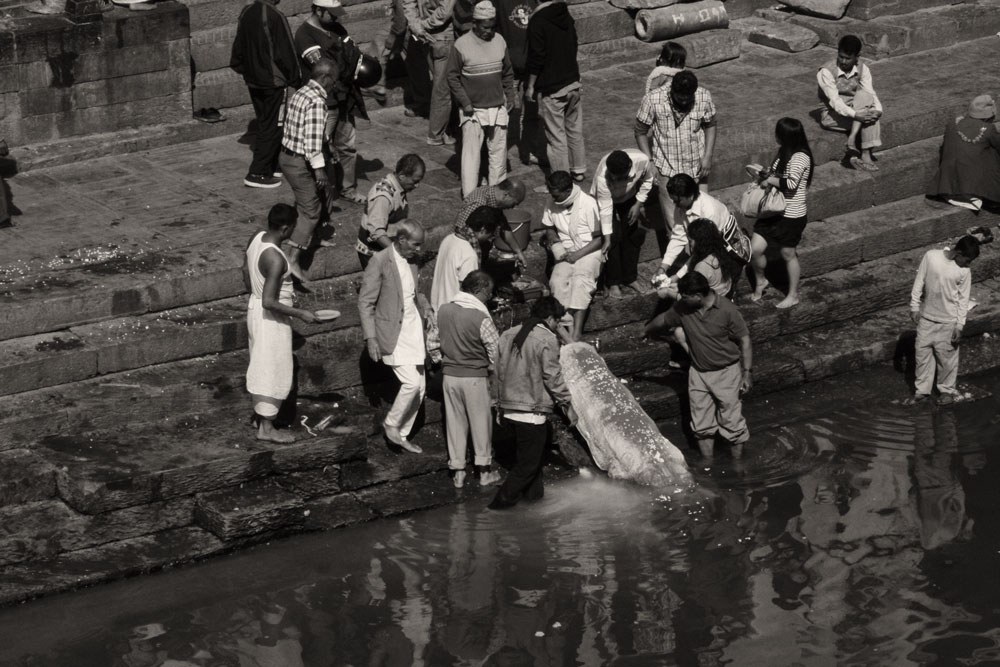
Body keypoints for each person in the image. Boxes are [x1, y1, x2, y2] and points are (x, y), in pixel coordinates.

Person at [645, 271, 752, 459]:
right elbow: (663, 320)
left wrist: (747, 372)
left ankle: (739, 466)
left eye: (686, 297)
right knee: (701, 424)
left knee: (732, 423)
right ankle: (708, 461)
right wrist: (645, 331)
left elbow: (745, 340)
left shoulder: (727, 310)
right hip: (699, 373)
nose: (682, 300)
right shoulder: (683, 307)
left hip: (727, 372)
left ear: (698, 296)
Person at [242, 204, 321, 443]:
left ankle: (262, 418)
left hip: (253, 309)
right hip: (270, 318)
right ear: (286, 228)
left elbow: (245, 268)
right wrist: (301, 314)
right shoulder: (275, 258)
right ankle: (266, 428)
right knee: (273, 369)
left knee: (261, 362)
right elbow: (269, 301)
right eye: (294, 227)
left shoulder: (256, 237)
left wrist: (252, 291)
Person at [489, 296, 576, 509]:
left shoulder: (508, 334)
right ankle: (498, 507)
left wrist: (497, 404)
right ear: (549, 318)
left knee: (533, 461)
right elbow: (552, 376)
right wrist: (567, 404)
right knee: (527, 466)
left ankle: (535, 503)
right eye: (557, 321)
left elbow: (497, 371)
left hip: (509, 408)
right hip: (531, 411)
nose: (557, 326)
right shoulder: (546, 338)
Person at [358, 220, 434, 452]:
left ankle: (400, 434)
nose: (419, 249)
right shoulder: (380, 261)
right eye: (416, 244)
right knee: (411, 383)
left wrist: (427, 306)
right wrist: (371, 338)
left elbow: (413, 292)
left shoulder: (412, 262)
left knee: (420, 387)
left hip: (413, 329)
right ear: (401, 240)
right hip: (393, 331)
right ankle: (391, 424)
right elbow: (365, 302)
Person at [294, 0, 369, 205]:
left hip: (345, 97)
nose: (335, 18)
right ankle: (321, 196)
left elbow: (354, 54)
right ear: (318, 10)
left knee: (347, 146)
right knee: (319, 149)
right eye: (331, 14)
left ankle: (348, 189)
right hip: (324, 103)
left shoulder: (336, 28)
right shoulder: (304, 35)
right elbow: (325, 67)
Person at [437, 270, 503, 488]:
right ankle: (484, 472)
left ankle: (458, 473)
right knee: (481, 423)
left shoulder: (443, 310)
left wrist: (443, 359)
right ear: (480, 290)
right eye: (489, 293)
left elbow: (432, 343)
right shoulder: (480, 317)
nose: (490, 298)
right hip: (474, 377)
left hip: (449, 377)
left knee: (454, 424)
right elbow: (496, 351)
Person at [446, 1, 516, 198]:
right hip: (473, 110)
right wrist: (465, 102)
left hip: (497, 107)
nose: (489, 31)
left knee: (498, 155)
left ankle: (498, 193)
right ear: (475, 24)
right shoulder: (461, 45)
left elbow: (508, 72)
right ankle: (470, 196)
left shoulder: (500, 41)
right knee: (471, 157)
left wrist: (510, 95)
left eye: (492, 27)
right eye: (485, 27)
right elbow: (452, 77)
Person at [230, 0, 301, 189]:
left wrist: (242, 68)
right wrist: (297, 80)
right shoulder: (275, 16)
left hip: (254, 79)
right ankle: (257, 172)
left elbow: (238, 47)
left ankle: (271, 165)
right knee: (273, 126)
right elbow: (287, 52)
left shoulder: (246, 12)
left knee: (266, 122)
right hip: (273, 82)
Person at [634, 70, 717, 231]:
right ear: (672, 90)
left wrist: (707, 156)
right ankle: (679, 256)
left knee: (703, 219)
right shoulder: (653, 99)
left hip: (696, 167)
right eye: (680, 98)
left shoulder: (703, 96)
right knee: (674, 225)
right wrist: (649, 162)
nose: (685, 102)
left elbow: (711, 125)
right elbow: (640, 131)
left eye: (688, 98)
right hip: (667, 169)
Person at [279, 59, 339, 281]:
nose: (335, 85)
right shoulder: (316, 101)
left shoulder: (302, 92)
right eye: (333, 80)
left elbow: (306, 128)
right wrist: (320, 170)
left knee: (320, 196)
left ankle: (311, 237)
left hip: (288, 155)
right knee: (310, 209)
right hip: (298, 161)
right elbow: (312, 144)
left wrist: (329, 146)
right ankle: (292, 259)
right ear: (325, 78)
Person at [750, 117, 814, 309]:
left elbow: (791, 184)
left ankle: (793, 295)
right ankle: (761, 280)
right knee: (755, 249)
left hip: (791, 214)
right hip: (773, 210)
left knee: (788, 253)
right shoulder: (783, 152)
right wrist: (764, 174)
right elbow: (777, 173)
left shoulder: (800, 157)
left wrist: (769, 180)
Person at [908, 236, 980, 406]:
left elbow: (963, 300)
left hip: (948, 321)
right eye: (967, 260)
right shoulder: (931, 256)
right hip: (927, 317)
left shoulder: (965, 272)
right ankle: (922, 391)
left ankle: (946, 391)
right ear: (959, 252)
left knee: (947, 360)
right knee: (922, 355)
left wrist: (959, 325)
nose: (968, 264)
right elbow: (919, 281)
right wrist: (914, 306)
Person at [542, 170, 605, 342]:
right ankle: (565, 327)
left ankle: (576, 332)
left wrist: (577, 255)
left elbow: (599, 239)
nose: (553, 198)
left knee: (580, 282)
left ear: (568, 191)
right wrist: (556, 246)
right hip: (565, 251)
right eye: (552, 194)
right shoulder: (551, 202)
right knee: (557, 281)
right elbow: (548, 227)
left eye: (556, 195)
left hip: (588, 250)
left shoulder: (588, 203)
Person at [525, 0, 585, 180]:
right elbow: (574, 43)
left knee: (556, 137)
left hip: (553, 87)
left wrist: (530, 85)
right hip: (573, 81)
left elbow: (537, 56)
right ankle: (579, 169)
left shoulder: (538, 21)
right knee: (574, 129)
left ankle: (561, 179)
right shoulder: (565, 15)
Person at [654, 173, 740, 287]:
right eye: (673, 200)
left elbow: (702, 250)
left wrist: (677, 276)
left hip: (724, 248)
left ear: (690, 195)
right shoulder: (682, 206)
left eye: (677, 201)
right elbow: (678, 237)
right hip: (706, 248)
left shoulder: (710, 212)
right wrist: (663, 267)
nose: (675, 204)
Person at [591, 148, 656, 298]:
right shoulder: (603, 178)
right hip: (605, 201)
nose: (616, 181)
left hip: (629, 197)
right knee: (613, 238)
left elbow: (647, 181)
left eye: (621, 178)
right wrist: (606, 238)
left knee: (632, 234)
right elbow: (606, 209)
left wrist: (638, 203)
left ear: (629, 169)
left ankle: (630, 278)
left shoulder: (642, 161)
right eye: (613, 178)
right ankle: (613, 282)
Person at [817, 34, 883, 172]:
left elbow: (870, 92)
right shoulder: (826, 71)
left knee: (866, 98)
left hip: (855, 106)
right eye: (841, 56)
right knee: (867, 116)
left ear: (857, 57)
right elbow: (835, 101)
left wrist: (878, 110)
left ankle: (856, 143)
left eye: (848, 58)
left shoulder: (863, 68)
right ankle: (865, 152)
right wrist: (857, 115)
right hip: (832, 114)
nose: (843, 61)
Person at [928, 94, 1000, 212]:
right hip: (971, 183)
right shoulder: (988, 129)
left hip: (947, 181)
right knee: (992, 151)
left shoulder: (953, 123)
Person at [357, 153, 426, 267]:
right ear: (402, 176)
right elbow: (377, 233)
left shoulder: (399, 187)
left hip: (385, 249)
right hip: (373, 253)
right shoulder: (383, 197)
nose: (417, 185)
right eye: (415, 181)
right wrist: (398, 254)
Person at [431, 205, 504, 310]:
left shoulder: (448, 239)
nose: (489, 239)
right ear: (483, 229)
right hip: (454, 312)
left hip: (439, 307)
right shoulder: (469, 255)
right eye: (490, 234)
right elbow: (469, 295)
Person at [494, 0, 540, 165]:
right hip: (509, 66)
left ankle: (528, 150)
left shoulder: (535, 2)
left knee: (532, 111)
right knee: (506, 110)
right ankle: (499, 153)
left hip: (532, 65)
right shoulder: (500, 3)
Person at [455, 178, 529, 268]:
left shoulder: (495, 199)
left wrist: (518, 252)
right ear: (506, 195)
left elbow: (504, 227)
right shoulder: (478, 203)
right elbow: (461, 232)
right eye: (514, 203)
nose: (512, 207)